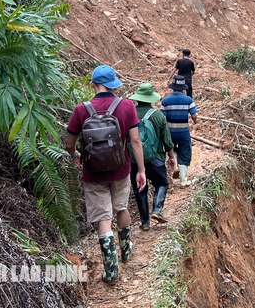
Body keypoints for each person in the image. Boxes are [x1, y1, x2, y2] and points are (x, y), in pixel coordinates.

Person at [65, 65, 146, 285]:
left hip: (93, 174)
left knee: (103, 218)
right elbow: (136, 141)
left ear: (93, 84)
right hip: (121, 170)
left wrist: (77, 155)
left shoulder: (81, 109)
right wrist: (141, 170)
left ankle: (111, 271)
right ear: (114, 85)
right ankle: (126, 250)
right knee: (121, 207)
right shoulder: (127, 106)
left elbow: (69, 144)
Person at [128, 82, 177, 230]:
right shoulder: (158, 116)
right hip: (156, 158)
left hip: (135, 160)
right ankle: (157, 209)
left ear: (137, 98)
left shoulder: (130, 114)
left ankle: (145, 222)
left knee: (139, 189)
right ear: (151, 99)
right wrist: (171, 156)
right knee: (162, 183)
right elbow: (166, 139)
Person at [161, 75, 198, 187]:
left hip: (170, 133)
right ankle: (183, 181)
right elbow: (194, 115)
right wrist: (194, 121)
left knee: (173, 149)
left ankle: (175, 165)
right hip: (183, 132)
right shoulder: (188, 100)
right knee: (185, 153)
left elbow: (163, 118)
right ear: (183, 88)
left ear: (173, 87)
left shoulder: (165, 101)